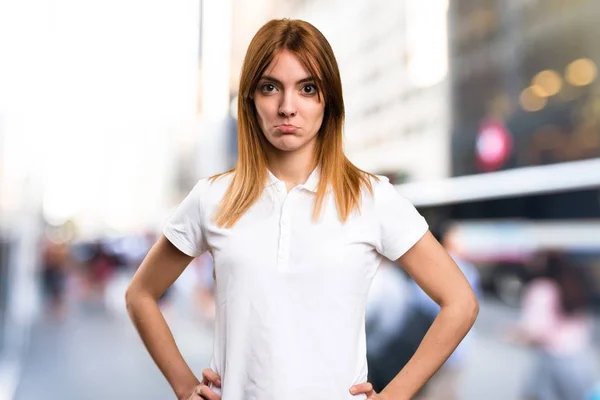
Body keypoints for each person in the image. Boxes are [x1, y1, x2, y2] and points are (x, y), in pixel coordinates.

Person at [125, 18, 479, 400]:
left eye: (307, 88)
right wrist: (183, 385)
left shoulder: (372, 198)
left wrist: (397, 394)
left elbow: (460, 302)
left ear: (328, 99)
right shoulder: (211, 197)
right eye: (269, 87)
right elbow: (141, 294)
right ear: (249, 99)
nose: (286, 107)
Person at [510, 251, 596, 400]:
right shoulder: (574, 285)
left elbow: (536, 331)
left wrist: (513, 334)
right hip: (579, 360)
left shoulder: (541, 289)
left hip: (551, 361)